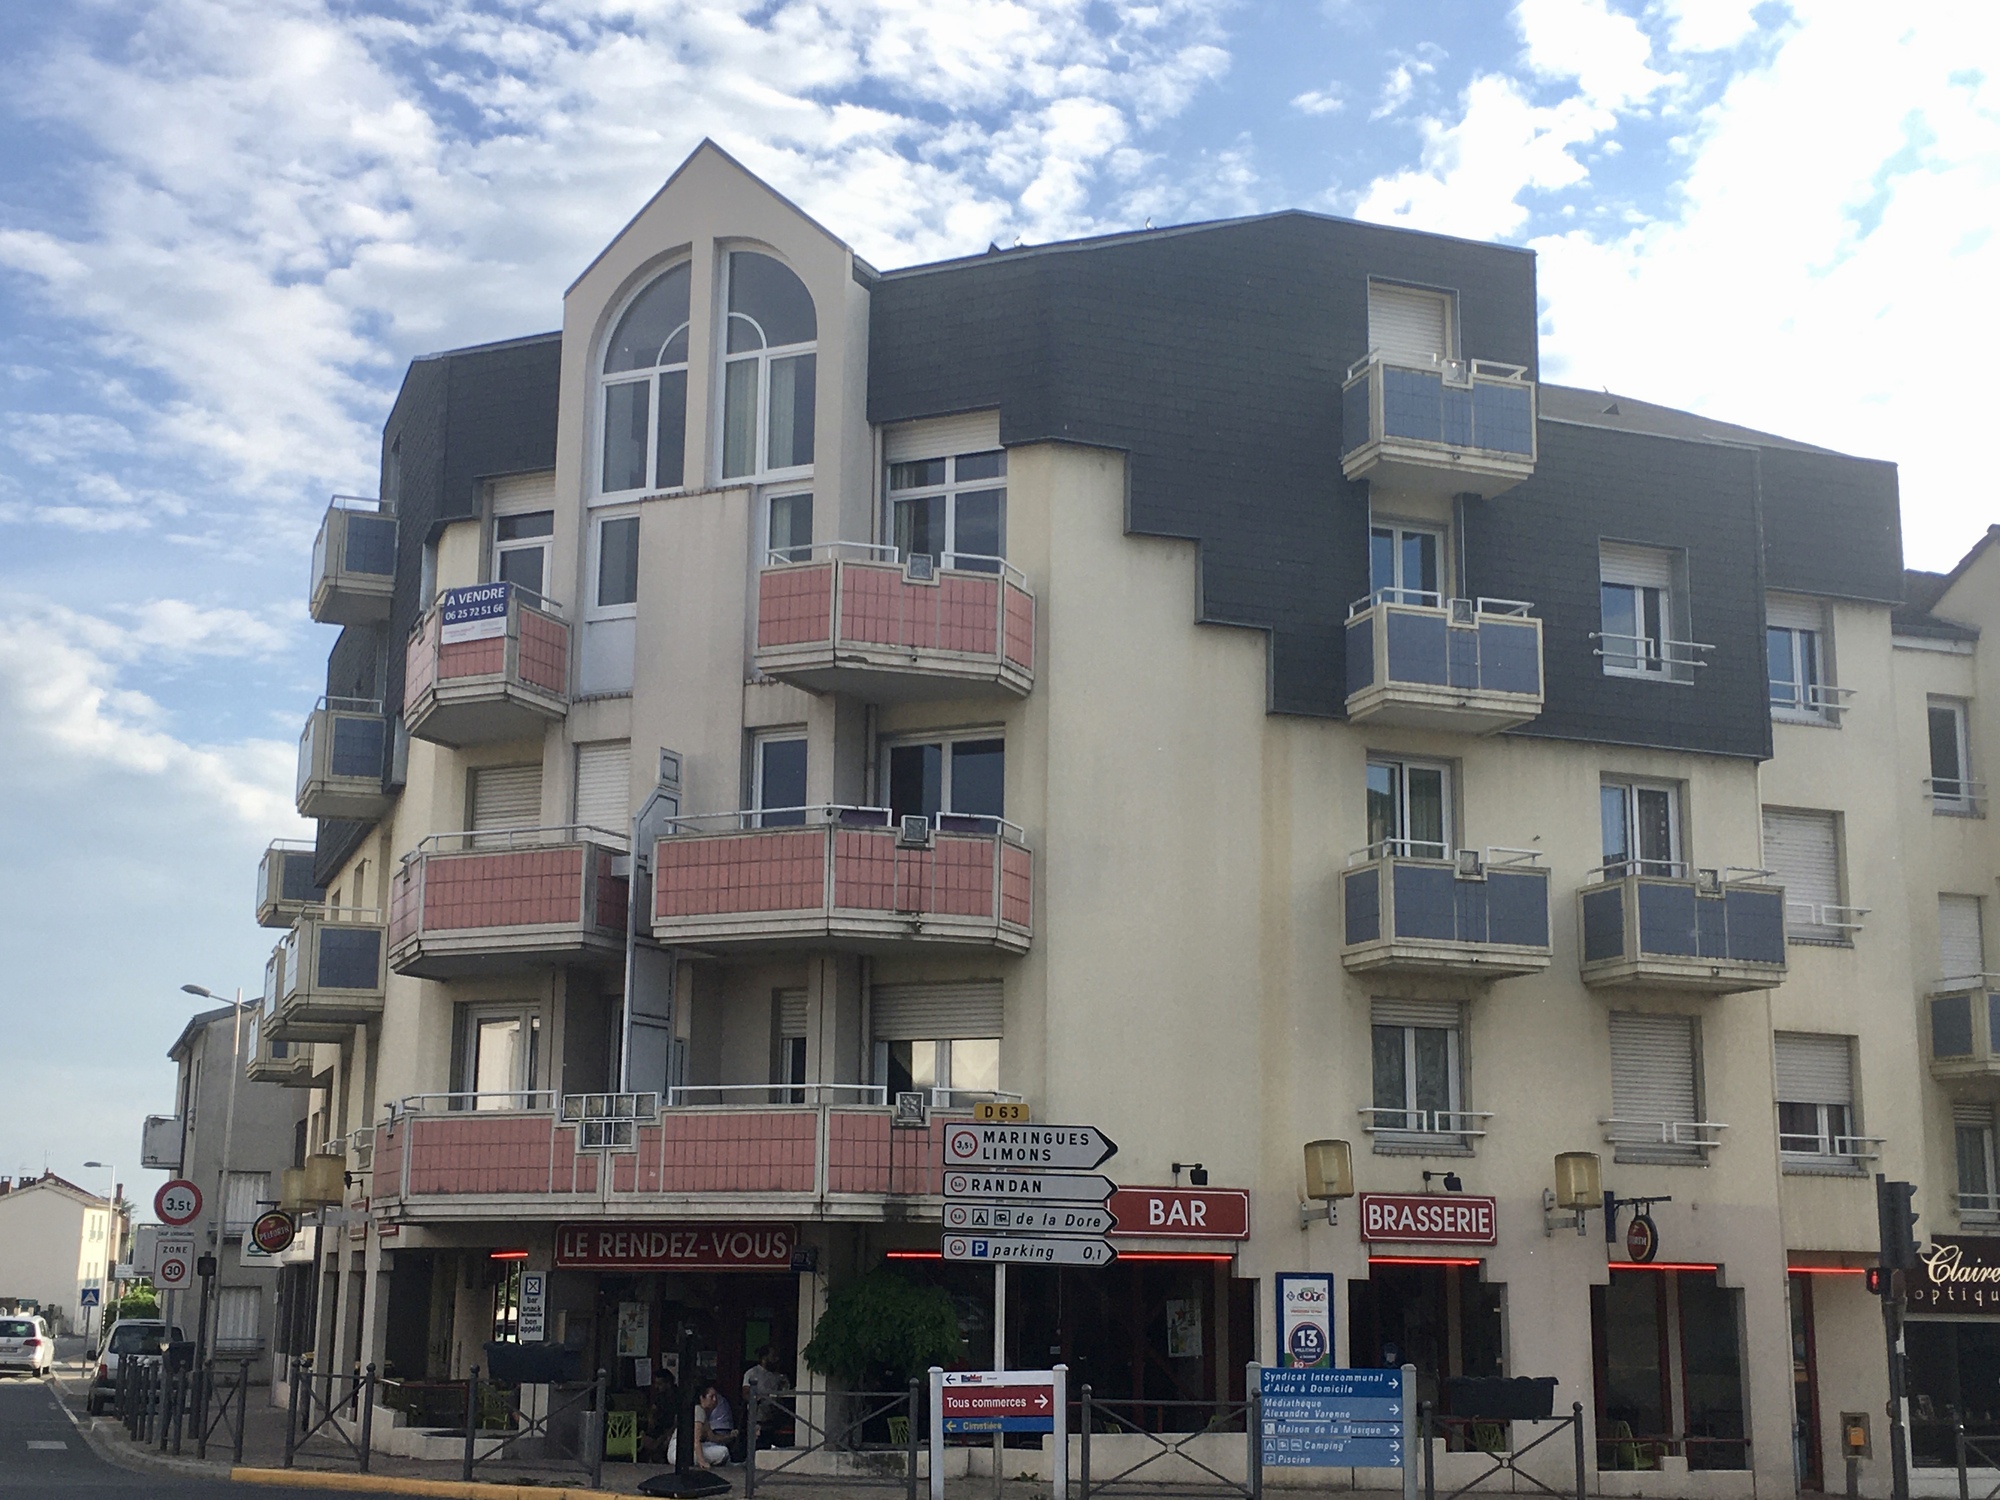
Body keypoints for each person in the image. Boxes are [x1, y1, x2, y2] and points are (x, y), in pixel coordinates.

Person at [667, 1384, 733, 1468]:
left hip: (682, 1451)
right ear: (702, 1398)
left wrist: (730, 1436)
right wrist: (702, 1461)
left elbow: (712, 1437)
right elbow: (696, 1440)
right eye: (711, 1397)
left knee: (715, 1446)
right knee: (724, 1451)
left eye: (715, 1397)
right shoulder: (699, 1410)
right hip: (679, 1453)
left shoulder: (703, 1413)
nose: (715, 1400)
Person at [742, 1346, 792, 1449]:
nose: (776, 1359)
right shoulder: (752, 1373)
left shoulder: (778, 1376)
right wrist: (757, 1399)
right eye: (773, 1356)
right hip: (758, 1417)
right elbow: (746, 1393)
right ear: (764, 1358)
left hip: (774, 1417)